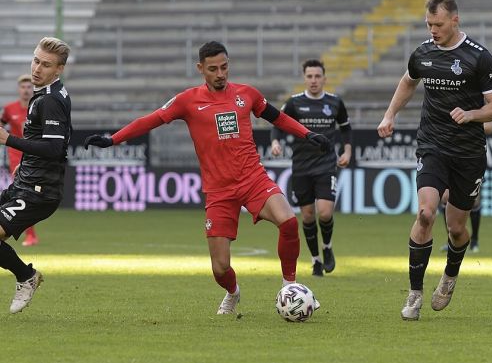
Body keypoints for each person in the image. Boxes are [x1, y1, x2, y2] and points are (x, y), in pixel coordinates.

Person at [84, 41, 330, 315]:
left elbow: (278, 118)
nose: (220, 73)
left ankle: (289, 288)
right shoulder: (187, 101)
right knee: (220, 268)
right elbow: (150, 120)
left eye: (224, 67)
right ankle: (233, 293)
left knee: (288, 222)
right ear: (201, 69)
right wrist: (112, 139)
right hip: (219, 191)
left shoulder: (246, 94)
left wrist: (308, 134)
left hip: (253, 179)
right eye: (213, 69)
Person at [376, 0, 492, 321]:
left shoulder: (479, 57)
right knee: (424, 213)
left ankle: (449, 277)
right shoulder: (423, 53)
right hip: (432, 145)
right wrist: (390, 114)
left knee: (458, 229)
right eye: (428, 23)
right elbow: (408, 82)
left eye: (438, 24)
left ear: (454, 20)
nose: (432, 29)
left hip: (468, 153)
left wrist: (473, 114)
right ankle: (415, 293)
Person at [0, 37, 72, 314]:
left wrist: (9, 140)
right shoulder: (48, 94)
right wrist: (27, 161)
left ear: (59, 69)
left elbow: (54, 148)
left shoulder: (50, 100)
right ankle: (25, 276)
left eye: (46, 64)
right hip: (27, 181)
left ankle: (25, 276)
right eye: (36, 60)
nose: (37, 68)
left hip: (39, 191)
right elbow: (51, 142)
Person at [270, 59, 351, 277]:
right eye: (309, 76)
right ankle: (316, 260)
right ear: (304, 78)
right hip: (302, 167)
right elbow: (278, 123)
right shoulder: (295, 103)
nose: (313, 80)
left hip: (326, 166)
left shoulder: (335, 102)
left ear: (324, 78)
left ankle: (327, 247)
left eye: (317, 76)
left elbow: (345, 128)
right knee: (307, 216)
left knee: (324, 213)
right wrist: (275, 142)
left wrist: (348, 151)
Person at [440, 121, 492, 253]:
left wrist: (467, 123)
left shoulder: (475, 103)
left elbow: (490, 127)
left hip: (471, 156)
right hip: (449, 156)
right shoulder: (447, 104)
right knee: (445, 197)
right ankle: (451, 239)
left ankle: (474, 240)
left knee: (474, 201)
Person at [1, 74, 40, 246]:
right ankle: (30, 234)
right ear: (19, 89)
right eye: (23, 87)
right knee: (22, 193)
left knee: (28, 193)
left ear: (33, 89)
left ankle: (23, 231)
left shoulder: (38, 107)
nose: (26, 90)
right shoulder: (10, 109)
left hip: (33, 155)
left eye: (29, 87)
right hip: (16, 155)